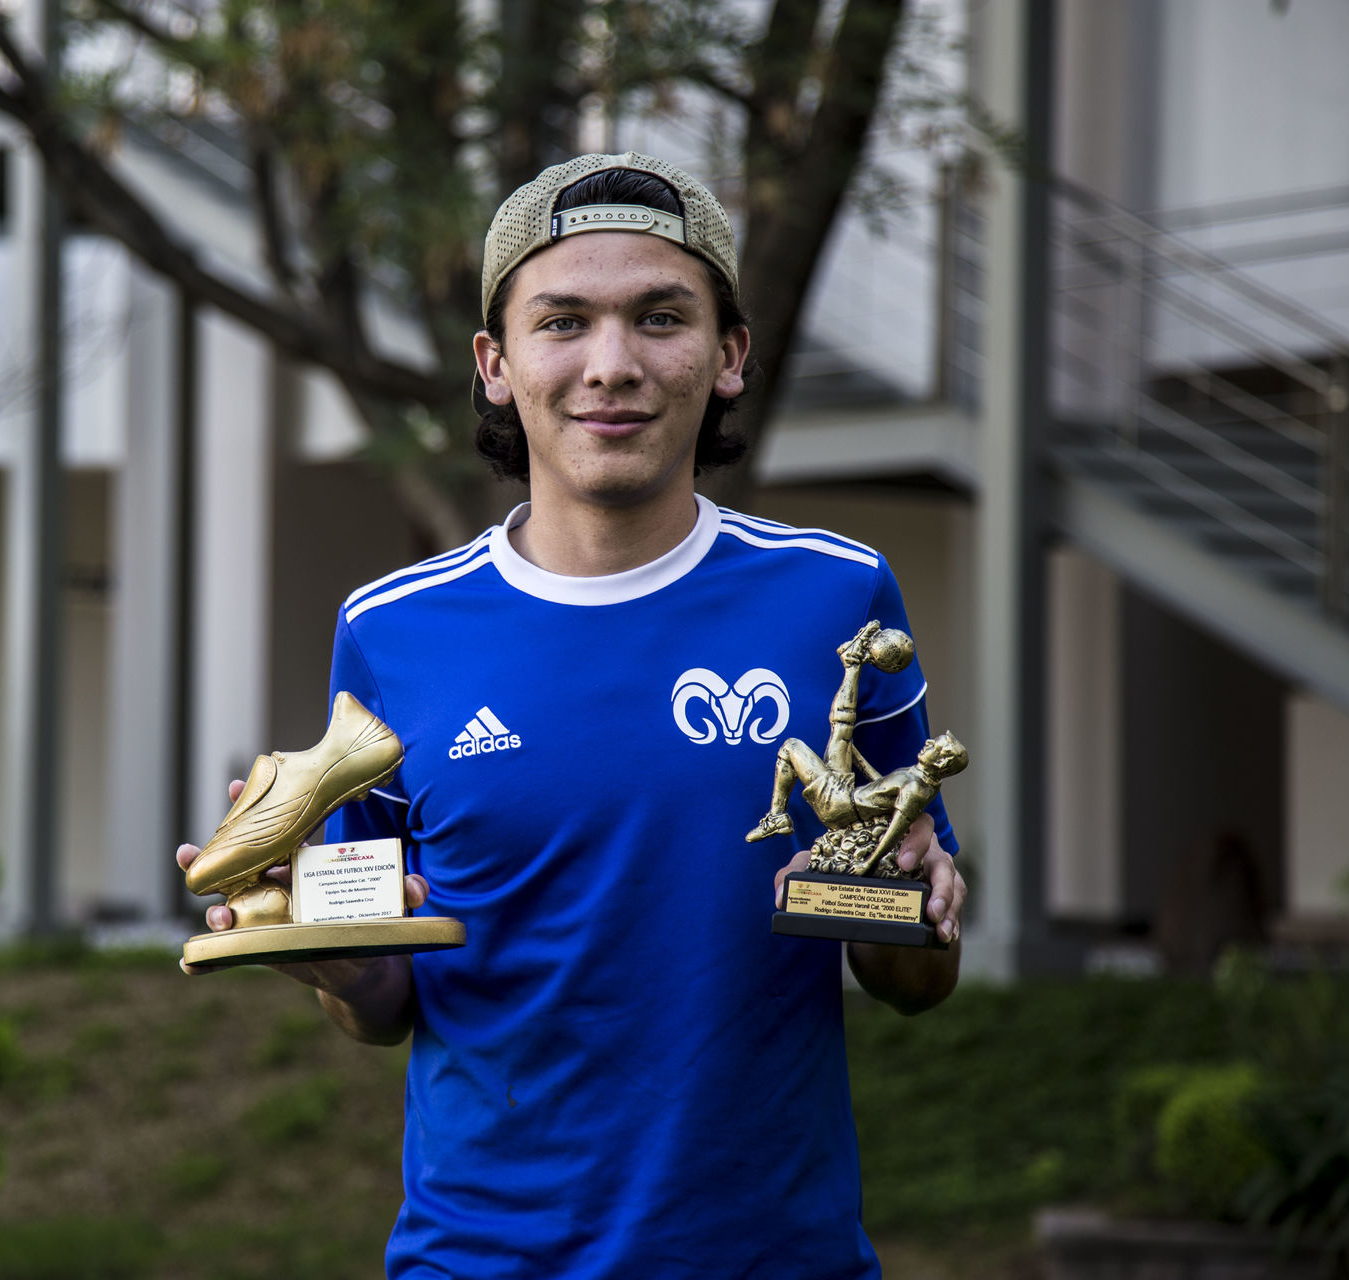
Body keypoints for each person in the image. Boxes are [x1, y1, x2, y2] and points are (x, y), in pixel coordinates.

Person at [177, 152, 966, 1279]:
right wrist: (334, 964)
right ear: (497, 364)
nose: (613, 365)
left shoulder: (838, 599)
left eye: (660, 318)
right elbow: (386, 1002)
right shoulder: (393, 629)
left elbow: (911, 974)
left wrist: (919, 921)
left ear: (728, 354)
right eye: (564, 322)